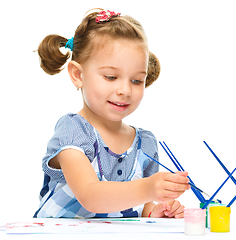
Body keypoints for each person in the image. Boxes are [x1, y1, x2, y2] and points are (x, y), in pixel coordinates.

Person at [34, 8, 190, 219]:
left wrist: (155, 211)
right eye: (110, 77)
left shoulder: (145, 143)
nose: (125, 90)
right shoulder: (73, 131)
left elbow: (138, 206)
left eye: (136, 80)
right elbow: (90, 195)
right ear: (78, 75)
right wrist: (148, 187)